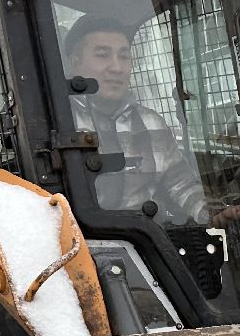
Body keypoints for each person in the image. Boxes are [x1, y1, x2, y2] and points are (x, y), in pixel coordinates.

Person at [61, 15, 212, 224]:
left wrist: (211, 216)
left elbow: (181, 185)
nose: (117, 67)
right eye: (103, 55)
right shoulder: (58, 123)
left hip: (146, 243)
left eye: (124, 56)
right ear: (74, 64)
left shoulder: (153, 124)